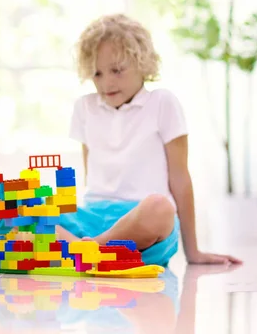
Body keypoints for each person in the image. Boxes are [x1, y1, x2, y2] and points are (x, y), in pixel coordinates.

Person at [57, 14, 242, 266]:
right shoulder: (85, 107)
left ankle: (85, 249)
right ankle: (90, 249)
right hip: (93, 216)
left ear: (142, 64)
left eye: (117, 70)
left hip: (140, 223)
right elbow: (92, 177)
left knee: (160, 207)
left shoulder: (162, 103)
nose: (106, 82)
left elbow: (180, 178)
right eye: (97, 74)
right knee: (25, 210)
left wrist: (194, 252)